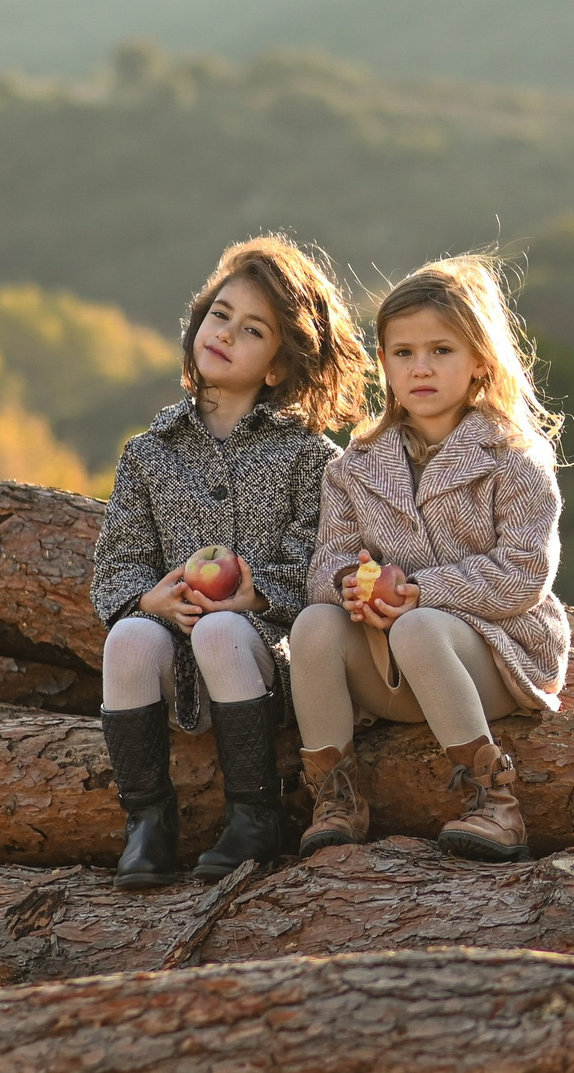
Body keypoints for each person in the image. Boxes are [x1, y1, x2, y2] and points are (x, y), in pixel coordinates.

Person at [89, 236, 368, 889]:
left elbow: (317, 555)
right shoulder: (149, 452)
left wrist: (258, 594)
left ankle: (254, 815)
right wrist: (149, 600)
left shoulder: (308, 455)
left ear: (276, 365)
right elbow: (118, 562)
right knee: (127, 640)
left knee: (218, 629)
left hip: (266, 654)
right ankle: (147, 824)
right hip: (174, 643)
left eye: (252, 330)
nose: (226, 334)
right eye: (220, 314)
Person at [289, 255, 570, 862]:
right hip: (392, 671)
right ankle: (335, 795)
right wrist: (349, 586)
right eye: (402, 352)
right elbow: (323, 564)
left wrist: (418, 589)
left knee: (419, 624)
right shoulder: (354, 465)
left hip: (497, 657)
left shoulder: (514, 457)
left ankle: (496, 803)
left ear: (479, 362)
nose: (420, 368)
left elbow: (524, 575)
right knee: (313, 623)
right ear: (384, 363)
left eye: (441, 351)